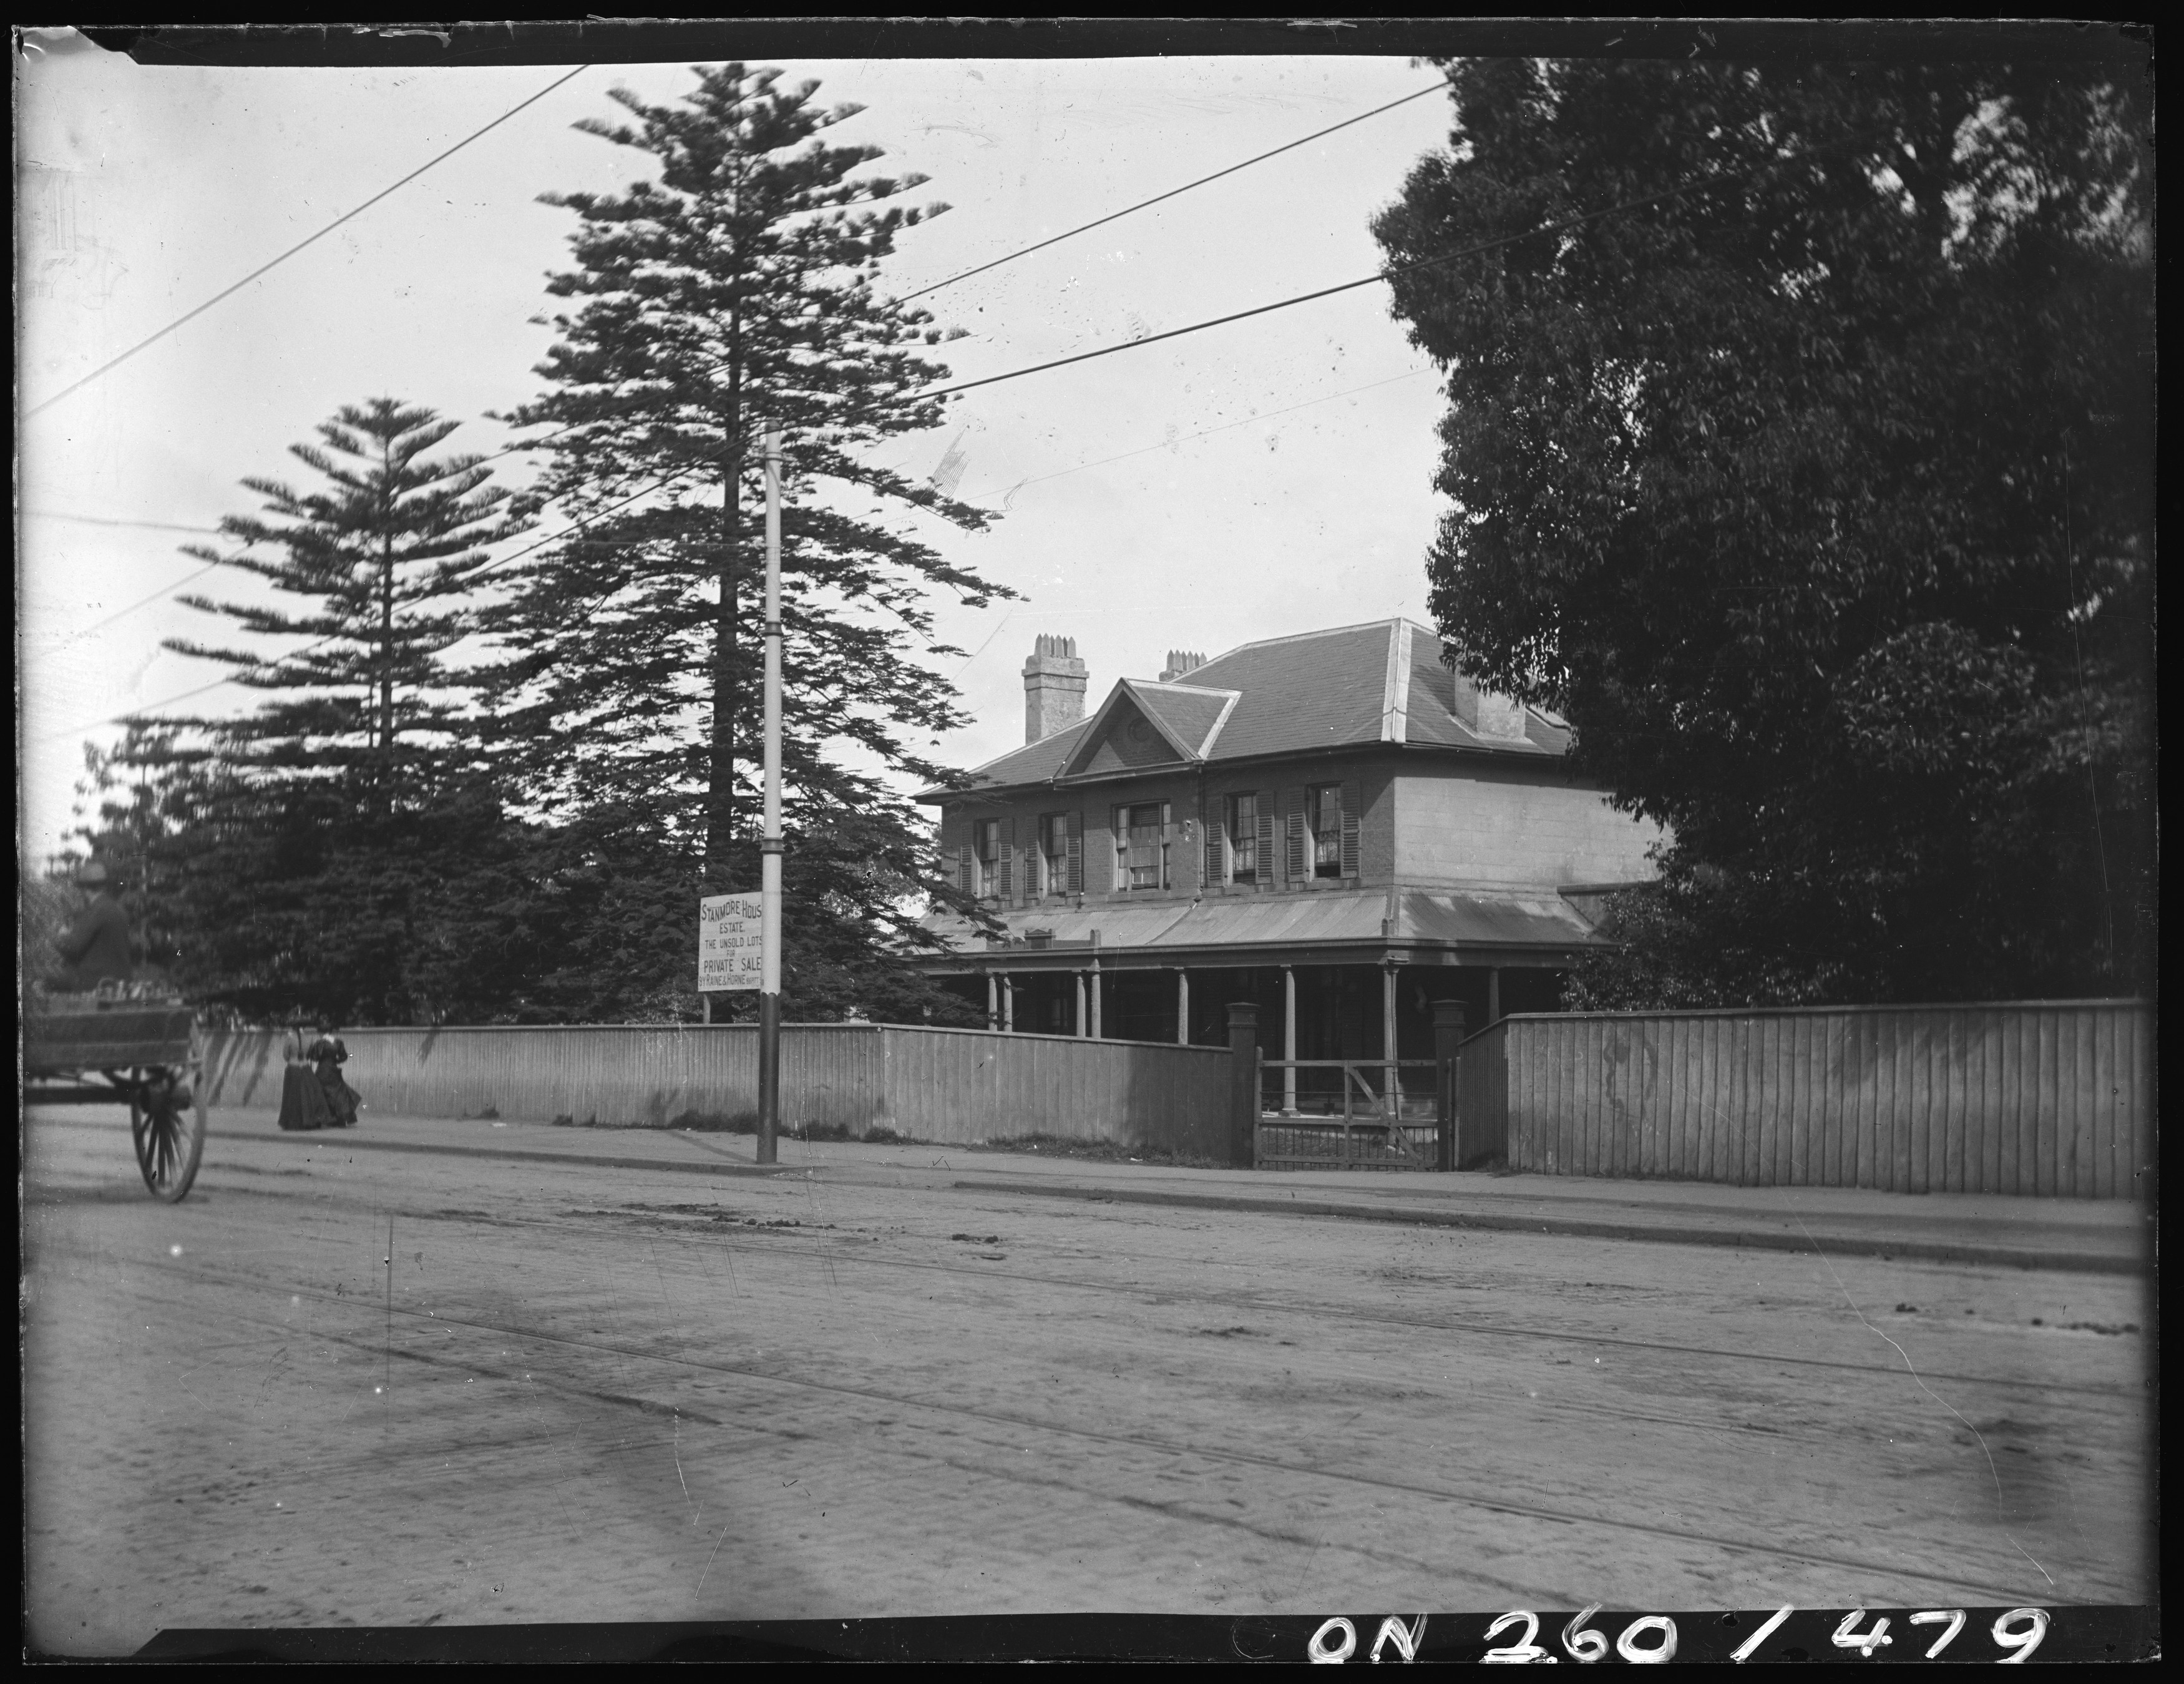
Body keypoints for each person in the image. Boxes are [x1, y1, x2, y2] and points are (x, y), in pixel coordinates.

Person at [50, 859, 135, 993]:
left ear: (85, 889)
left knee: (39, 981)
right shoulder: (119, 910)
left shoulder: (95, 911)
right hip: (121, 984)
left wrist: (60, 936)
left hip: (94, 984)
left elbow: (73, 947)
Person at [308, 1019, 362, 1128]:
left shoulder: (320, 1043)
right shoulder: (338, 1042)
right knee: (338, 1094)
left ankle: (324, 1118)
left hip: (323, 1070)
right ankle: (339, 1119)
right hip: (334, 1070)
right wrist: (335, 1061)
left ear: (322, 1032)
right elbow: (344, 1056)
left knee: (322, 1093)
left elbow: (315, 1057)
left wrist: (311, 1050)